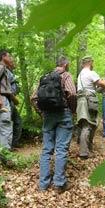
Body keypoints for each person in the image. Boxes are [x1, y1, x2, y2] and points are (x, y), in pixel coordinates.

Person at [31, 56, 76, 193]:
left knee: (46, 150)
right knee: (61, 149)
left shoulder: (46, 77)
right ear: (66, 64)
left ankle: (43, 185)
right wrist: (72, 111)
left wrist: (42, 113)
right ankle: (59, 184)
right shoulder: (66, 75)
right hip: (63, 114)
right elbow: (73, 94)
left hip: (48, 116)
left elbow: (33, 98)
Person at [76, 56, 105, 159]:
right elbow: (103, 84)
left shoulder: (80, 74)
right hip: (89, 100)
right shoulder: (91, 73)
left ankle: (86, 149)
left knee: (85, 124)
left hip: (81, 100)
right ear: (90, 62)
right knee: (90, 125)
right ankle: (85, 152)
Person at [5, 57, 22, 148]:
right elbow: (7, 89)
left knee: (17, 121)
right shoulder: (6, 72)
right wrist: (14, 99)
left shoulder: (11, 73)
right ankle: (8, 147)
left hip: (10, 100)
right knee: (7, 124)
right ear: (9, 64)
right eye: (13, 61)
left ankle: (13, 144)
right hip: (8, 100)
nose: (14, 63)